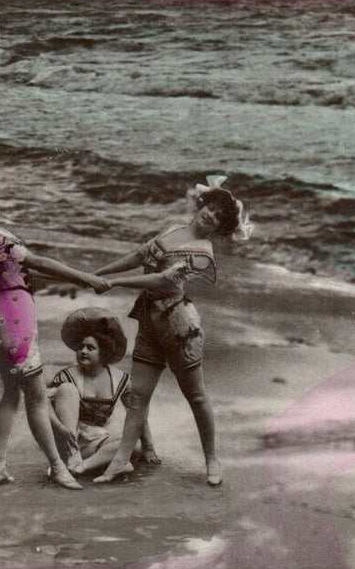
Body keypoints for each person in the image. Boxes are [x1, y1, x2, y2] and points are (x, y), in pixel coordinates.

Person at [0, 155, 108, 490]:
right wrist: (84, 277)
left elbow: (16, 272)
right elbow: (37, 262)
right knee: (35, 397)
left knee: (14, 393)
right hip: (10, 322)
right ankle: (58, 466)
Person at [89, 175, 252, 486]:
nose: (211, 215)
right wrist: (97, 274)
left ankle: (211, 459)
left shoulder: (203, 254)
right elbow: (139, 256)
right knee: (138, 396)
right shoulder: (171, 230)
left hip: (179, 326)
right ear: (202, 204)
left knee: (196, 395)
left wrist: (115, 283)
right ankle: (120, 462)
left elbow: (163, 281)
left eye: (218, 217)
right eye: (211, 208)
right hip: (151, 320)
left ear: (218, 228)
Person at [47, 307, 159, 476]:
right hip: (66, 439)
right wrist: (60, 428)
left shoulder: (121, 379)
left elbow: (137, 412)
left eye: (90, 348)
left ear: (103, 352)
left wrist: (148, 447)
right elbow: (41, 405)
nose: (83, 351)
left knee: (133, 445)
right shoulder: (67, 376)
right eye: (81, 347)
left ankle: (82, 466)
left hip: (96, 442)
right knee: (67, 389)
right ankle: (73, 458)